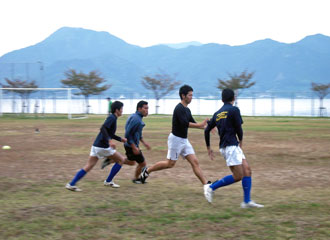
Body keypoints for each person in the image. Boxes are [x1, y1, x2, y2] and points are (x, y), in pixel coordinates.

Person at [140, 84, 210, 189]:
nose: (191, 97)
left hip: (184, 140)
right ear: (183, 96)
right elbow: (185, 124)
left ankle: (206, 185)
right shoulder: (179, 108)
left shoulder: (187, 110)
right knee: (170, 164)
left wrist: (207, 127)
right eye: (190, 95)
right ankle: (147, 171)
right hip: (176, 140)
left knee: (194, 162)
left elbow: (194, 123)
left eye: (192, 95)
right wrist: (200, 125)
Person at [203, 88, 264, 208]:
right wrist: (241, 140)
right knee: (238, 176)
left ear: (222, 99)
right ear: (233, 98)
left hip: (227, 147)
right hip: (231, 146)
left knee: (247, 170)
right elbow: (238, 128)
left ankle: (246, 202)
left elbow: (206, 130)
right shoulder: (234, 110)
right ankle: (211, 188)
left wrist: (208, 147)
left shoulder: (217, 113)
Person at [65, 101, 127, 192]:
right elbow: (103, 128)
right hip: (103, 146)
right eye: (121, 109)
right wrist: (109, 141)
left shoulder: (112, 118)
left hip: (96, 145)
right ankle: (108, 181)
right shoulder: (112, 118)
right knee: (121, 159)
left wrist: (120, 139)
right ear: (117, 110)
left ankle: (71, 184)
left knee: (89, 166)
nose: (122, 111)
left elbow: (110, 133)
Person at [124, 100, 151, 183]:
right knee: (143, 163)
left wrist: (144, 142)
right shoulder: (137, 120)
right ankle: (136, 179)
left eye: (148, 108)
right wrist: (134, 147)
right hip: (131, 145)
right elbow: (127, 134)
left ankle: (113, 159)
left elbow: (137, 133)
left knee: (131, 162)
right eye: (145, 108)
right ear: (139, 108)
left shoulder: (134, 116)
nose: (147, 110)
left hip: (129, 145)